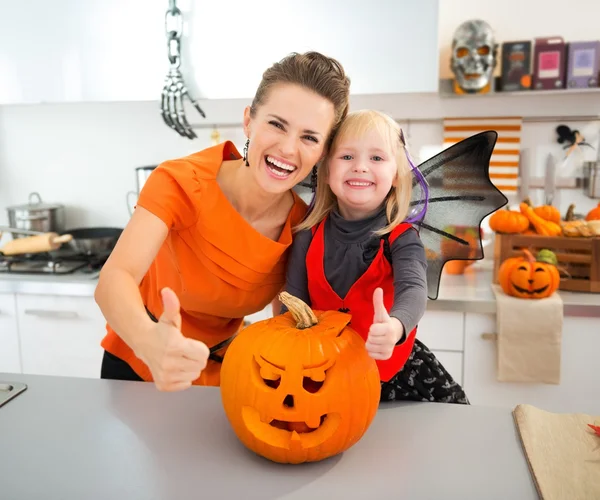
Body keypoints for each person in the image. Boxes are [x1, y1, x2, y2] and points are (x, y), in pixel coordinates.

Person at [94, 51, 351, 391]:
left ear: (323, 152)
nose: (288, 149)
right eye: (276, 124)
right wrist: (149, 341)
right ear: (249, 121)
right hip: (139, 365)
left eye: (309, 137)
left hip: (225, 376)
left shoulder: (302, 226)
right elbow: (114, 278)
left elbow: (286, 322)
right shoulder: (180, 182)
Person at [282, 109, 469, 404]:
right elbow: (291, 301)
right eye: (346, 157)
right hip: (323, 369)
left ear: (396, 175)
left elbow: (414, 290)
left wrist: (395, 327)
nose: (360, 167)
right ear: (326, 169)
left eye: (377, 158)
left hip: (393, 370)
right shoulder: (307, 235)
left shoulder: (402, 237)